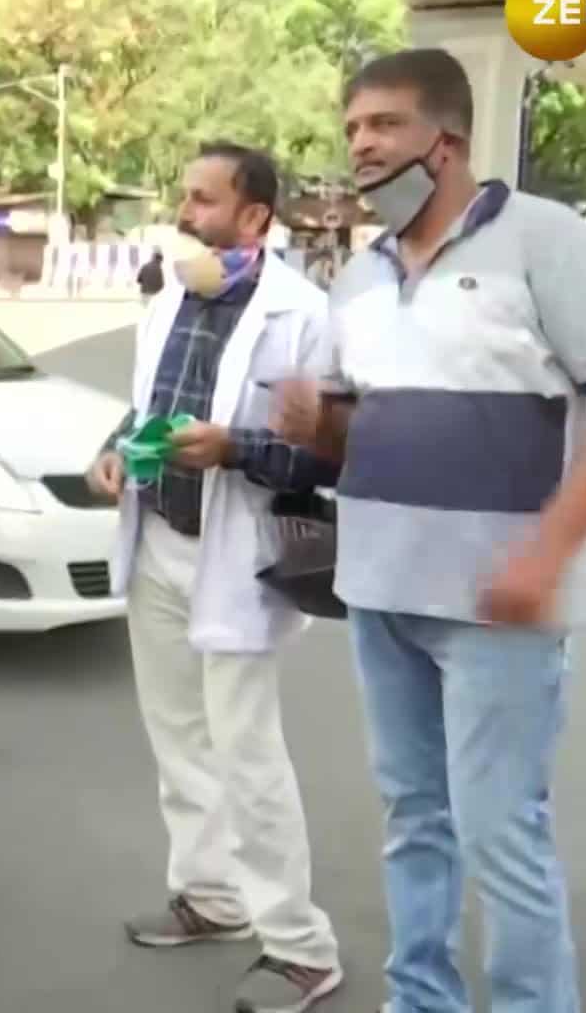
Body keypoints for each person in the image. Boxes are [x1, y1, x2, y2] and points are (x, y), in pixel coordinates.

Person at [272, 48, 586, 1013]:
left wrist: (548, 552)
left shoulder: (547, 239)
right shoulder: (358, 277)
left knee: (501, 831)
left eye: (383, 126)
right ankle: (422, 999)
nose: (361, 146)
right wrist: (313, 421)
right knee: (416, 820)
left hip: (499, 604)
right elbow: (368, 428)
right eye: (352, 127)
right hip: (380, 588)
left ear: (445, 141)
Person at [83, 142, 346, 1013]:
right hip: (158, 535)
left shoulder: (303, 315)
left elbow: (321, 453)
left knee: (246, 750)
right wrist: (114, 451)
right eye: (183, 196)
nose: (185, 214)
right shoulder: (168, 302)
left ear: (255, 219)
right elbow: (145, 406)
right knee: (177, 735)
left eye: (204, 200)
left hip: (233, 552)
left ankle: (302, 949)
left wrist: (233, 448)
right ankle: (212, 895)